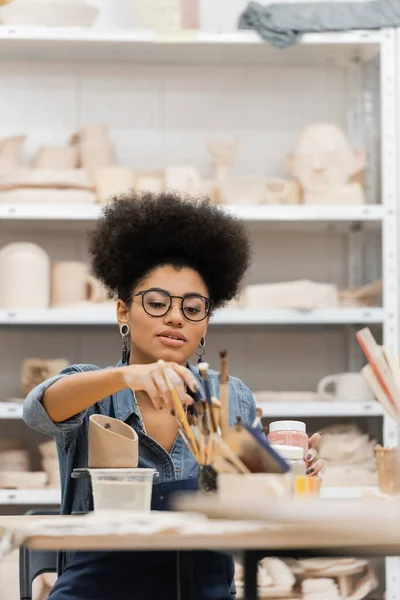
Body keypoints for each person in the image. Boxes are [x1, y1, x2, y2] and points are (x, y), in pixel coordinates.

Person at [23, 191, 323, 600]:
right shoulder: (94, 390)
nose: (176, 316)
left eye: (193, 307)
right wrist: (128, 377)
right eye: (157, 302)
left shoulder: (229, 398)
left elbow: (257, 510)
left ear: (205, 324)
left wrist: (291, 480)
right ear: (123, 312)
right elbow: (38, 410)